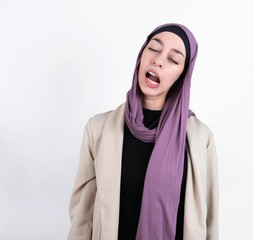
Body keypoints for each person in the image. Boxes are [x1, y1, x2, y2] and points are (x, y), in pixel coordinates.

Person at [67, 23, 218, 240]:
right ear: (141, 55)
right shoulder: (98, 129)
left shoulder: (200, 138)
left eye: (173, 59)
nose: (158, 60)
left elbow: (209, 221)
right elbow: (82, 219)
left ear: (182, 76)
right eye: (154, 49)